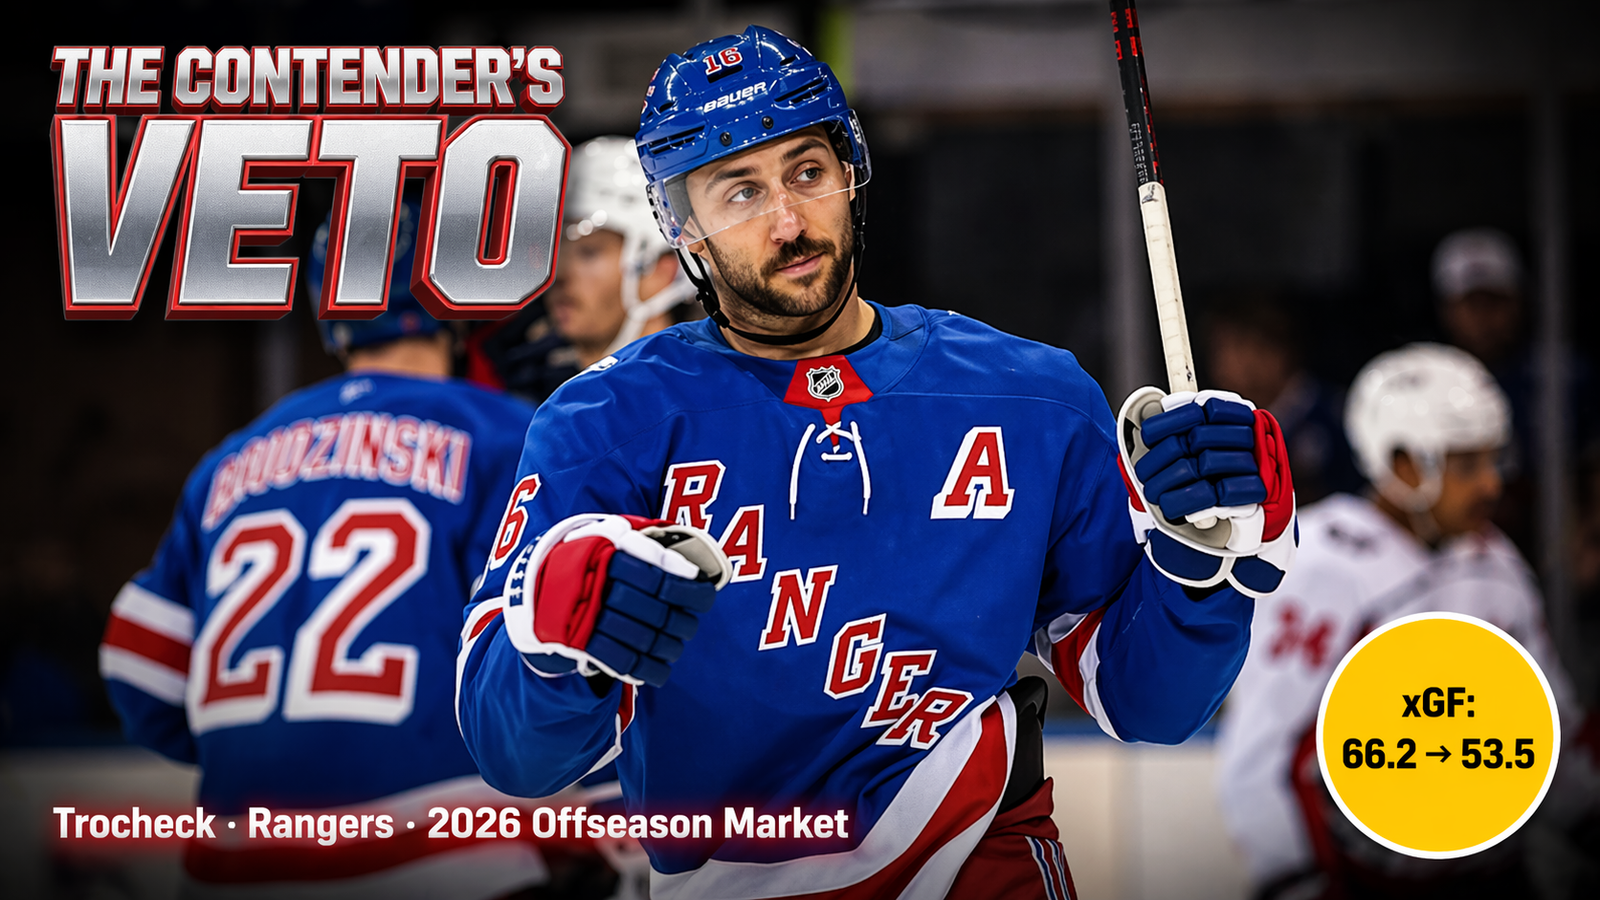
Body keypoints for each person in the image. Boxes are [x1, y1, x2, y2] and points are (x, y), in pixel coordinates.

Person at [454, 25, 1296, 900]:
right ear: (684, 228)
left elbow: (1148, 704)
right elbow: (517, 760)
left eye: (807, 173)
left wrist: (1202, 563)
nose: (789, 222)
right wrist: (554, 647)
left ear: (851, 170)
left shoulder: (1033, 399)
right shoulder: (604, 425)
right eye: (741, 192)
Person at [97, 201, 547, 897]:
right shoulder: (507, 435)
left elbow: (140, 668)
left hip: (234, 863)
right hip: (443, 857)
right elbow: (557, 653)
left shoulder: (228, 460)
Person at [1213, 342, 1587, 900]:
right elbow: (1264, 753)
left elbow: (1548, 729)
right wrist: (1293, 879)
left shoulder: (1497, 562)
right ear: (1404, 464)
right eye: (1467, 465)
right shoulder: (1320, 565)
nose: (1491, 485)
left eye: (1493, 460)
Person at [471, 136, 699, 405]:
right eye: (555, 253)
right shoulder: (516, 388)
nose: (559, 275)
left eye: (589, 253)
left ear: (661, 272)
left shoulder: (705, 396)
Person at [1203, 289, 1362, 504]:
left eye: (1234, 346)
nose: (1223, 360)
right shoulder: (1218, 421)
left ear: (1273, 352)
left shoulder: (1338, 414)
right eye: (1216, 348)